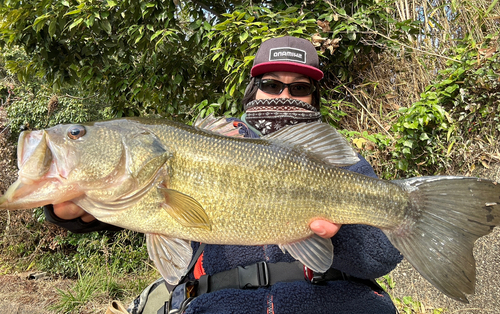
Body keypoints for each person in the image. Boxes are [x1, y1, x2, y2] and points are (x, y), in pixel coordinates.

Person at [45, 36, 403, 314]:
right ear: (252, 91)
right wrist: (82, 213)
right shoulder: (202, 145)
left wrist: (341, 235)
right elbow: (138, 204)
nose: (285, 95)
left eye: (301, 88)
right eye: (272, 84)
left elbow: (380, 257)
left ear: (315, 98)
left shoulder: (337, 162)